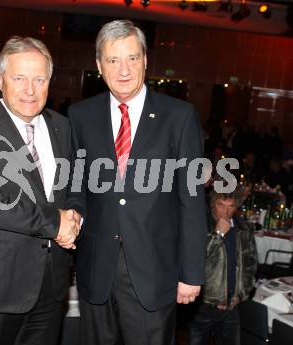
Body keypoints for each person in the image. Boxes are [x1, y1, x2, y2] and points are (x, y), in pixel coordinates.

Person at [67, 19, 207, 345]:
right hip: (96, 269)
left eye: (132, 58)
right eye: (113, 60)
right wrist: (72, 213)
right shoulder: (80, 116)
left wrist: (191, 273)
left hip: (154, 271)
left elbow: (191, 200)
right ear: (99, 65)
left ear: (145, 60)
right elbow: (75, 185)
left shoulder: (179, 116)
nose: (124, 69)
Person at [0, 36, 80, 345]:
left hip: (51, 284)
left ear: (50, 81)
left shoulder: (63, 126)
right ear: (0, 79)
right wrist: (54, 223)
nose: (30, 90)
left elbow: (74, 186)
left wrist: (75, 217)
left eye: (39, 79)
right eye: (19, 78)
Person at [189, 189, 257, 345]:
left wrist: (240, 296)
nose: (225, 211)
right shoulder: (200, 225)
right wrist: (218, 234)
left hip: (231, 306)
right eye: (221, 204)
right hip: (202, 306)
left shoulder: (244, 229)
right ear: (213, 204)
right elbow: (195, 259)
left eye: (231, 206)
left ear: (237, 207)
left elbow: (251, 266)